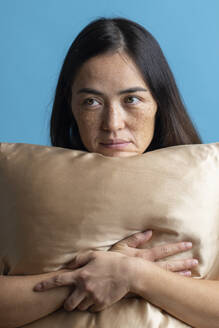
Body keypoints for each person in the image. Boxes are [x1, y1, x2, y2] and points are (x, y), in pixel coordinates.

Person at [1, 17, 218, 328]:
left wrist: (134, 275)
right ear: (71, 110)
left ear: (159, 103)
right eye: (91, 102)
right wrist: (86, 278)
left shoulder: (209, 179)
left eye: (131, 99)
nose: (112, 123)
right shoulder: (19, 181)